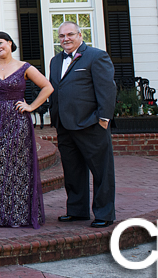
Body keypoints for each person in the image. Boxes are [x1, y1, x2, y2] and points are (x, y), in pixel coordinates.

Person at [0, 31, 53, 229]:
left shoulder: (24, 67)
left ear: (9, 43)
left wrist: (32, 106)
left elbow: (47, 87)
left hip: (18, 120)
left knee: (18, 165)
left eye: (0, 43)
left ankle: (19, 214)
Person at [49, 21, 117, 228]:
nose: (65, 39)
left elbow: (107, 89)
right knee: (72, 170)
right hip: (64, 125)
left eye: (70, 34)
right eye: (61, 36)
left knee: (101, 171)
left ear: (80, 35)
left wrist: (103, 119)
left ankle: (104, 213)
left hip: (91, 124)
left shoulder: (96, 56)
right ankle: (77, 211)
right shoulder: (55, 61)